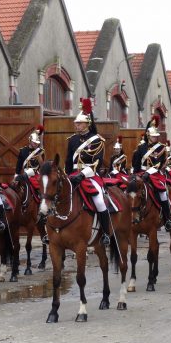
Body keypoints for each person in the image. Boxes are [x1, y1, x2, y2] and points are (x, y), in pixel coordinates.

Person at [65, 97, 111, 246]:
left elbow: (96, 162)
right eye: (76, 123)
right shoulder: (72, 140)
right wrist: (66, 176)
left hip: (89, 176)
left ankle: (105, 233)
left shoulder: (97, 140)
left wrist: (82, 175)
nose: (76, 125)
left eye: (79, 123)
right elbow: (68, 161)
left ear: (87, 124)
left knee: (99, 201)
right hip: (72, 175)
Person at [132, 115, 171, 231]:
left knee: (163, 193)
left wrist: (148, 173)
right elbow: (136, 163)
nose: (155, 138)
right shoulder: (141, 148)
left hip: (155, 174)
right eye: (153, 136)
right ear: (148, 136)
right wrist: (134, 174)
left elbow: (160, 164)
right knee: (130, 191)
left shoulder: (161, 148)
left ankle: (167, 219)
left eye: (156, 136)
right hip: (141, 173)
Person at [14, 125, 47, 242]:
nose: (35, 144)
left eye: (37, 143)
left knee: (41, 191)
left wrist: (39, 162)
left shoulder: (40, 152)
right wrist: (16, 175)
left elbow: (40, 166)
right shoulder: (23, 151)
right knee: (14, 189)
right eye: (33, 142)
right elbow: (19, 165)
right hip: (23, 175)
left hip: (35, 175)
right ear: (29, 141)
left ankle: (43, 212)